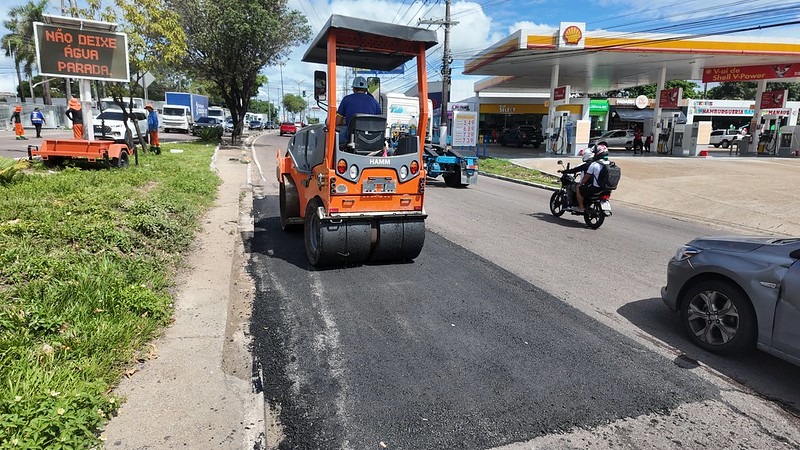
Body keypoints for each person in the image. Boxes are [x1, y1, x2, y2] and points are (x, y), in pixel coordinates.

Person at [335, 76, 381, 146]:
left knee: (337, 131)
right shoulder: (375, 102)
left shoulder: (346, 99)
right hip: (370, 138)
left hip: (352, 138)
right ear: (366, 90)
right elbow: (379, 123)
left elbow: (337, 122)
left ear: (353, 89)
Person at [575, 145, 610, 214]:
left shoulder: (594, 164)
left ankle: (581, 207)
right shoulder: (610, 164)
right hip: (607, 189)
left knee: (578, 188)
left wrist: (580, 184)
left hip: (595, 188)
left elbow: (586, 177)